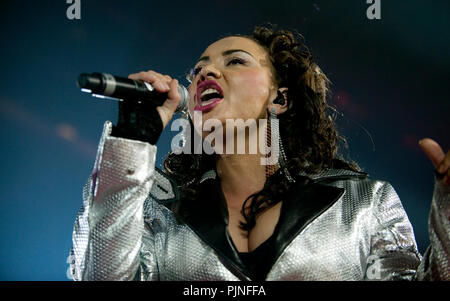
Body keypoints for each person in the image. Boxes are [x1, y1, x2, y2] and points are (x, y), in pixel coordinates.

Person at [69, 26, 450, 281]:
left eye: (234, 61)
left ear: (279, 98)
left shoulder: (364, 203)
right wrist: (132, 139)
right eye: (198, 69)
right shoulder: (157, 205)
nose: (206, 73)